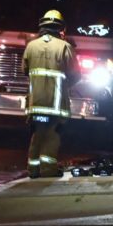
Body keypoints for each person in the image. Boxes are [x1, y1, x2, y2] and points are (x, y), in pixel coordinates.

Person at [23, 9, 81, 178]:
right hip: (55, 105)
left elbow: (25, 70)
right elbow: (75, 74)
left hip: (35, 104)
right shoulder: (65, 47)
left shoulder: (31, 46)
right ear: (61, 28)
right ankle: (48, 170)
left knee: (37, 135)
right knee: (52, 136)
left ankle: (33, 170)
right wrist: (65, 86)